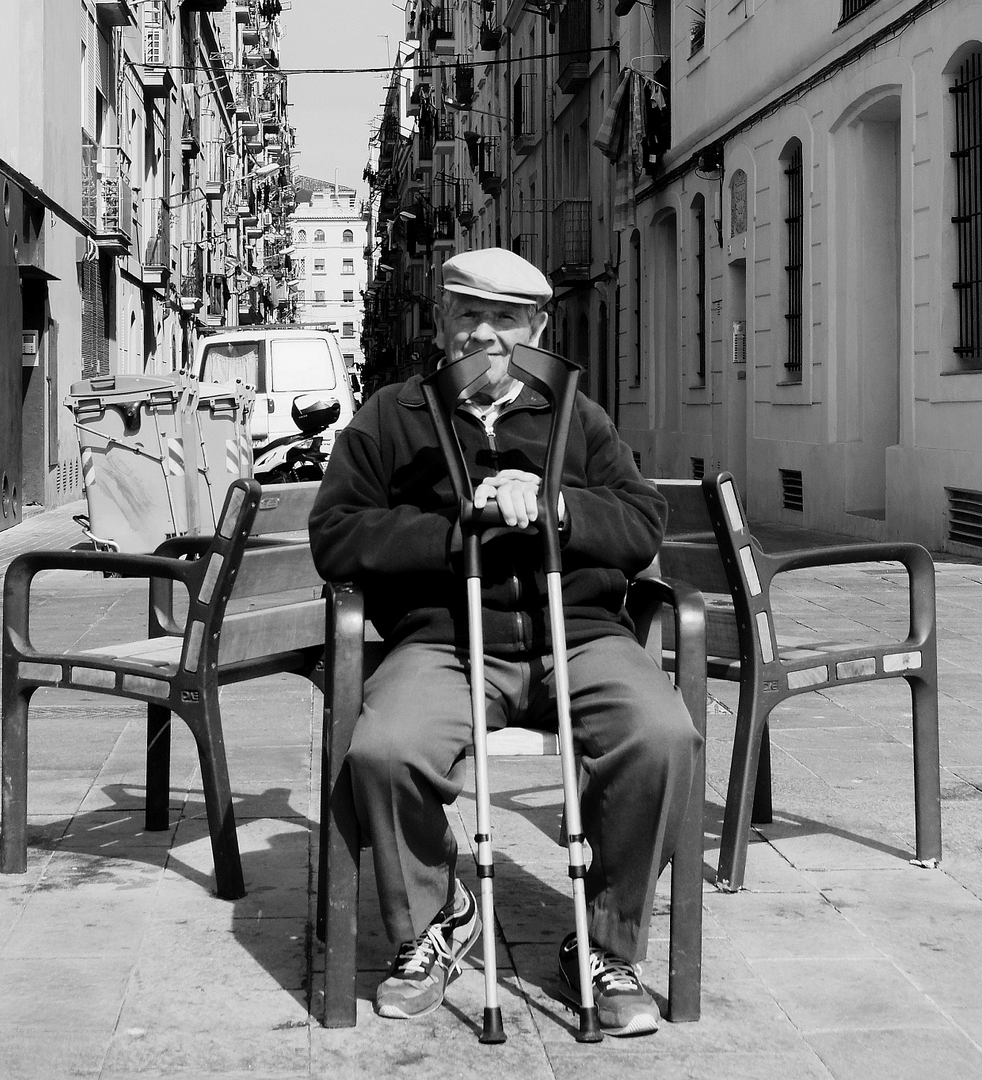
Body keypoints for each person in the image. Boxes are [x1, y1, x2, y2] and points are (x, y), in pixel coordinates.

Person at [308, 248, 700, 1037]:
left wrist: (555, 508)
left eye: (505, 320)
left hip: (579, 634)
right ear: (441, 320)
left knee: (662, 738)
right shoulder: (393, 415)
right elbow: (336, 537)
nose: (483, 335)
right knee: (383, 750)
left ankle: (602, 944)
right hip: (447, 642)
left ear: (536, 329)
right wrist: (458, 530)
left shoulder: (572, 416)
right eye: (466, 315)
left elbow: (639, 522)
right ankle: (436, 918)